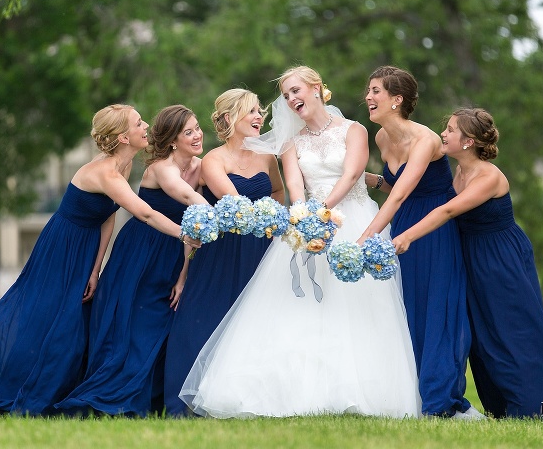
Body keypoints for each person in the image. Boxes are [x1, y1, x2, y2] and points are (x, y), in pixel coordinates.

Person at [179, 66, 421, 419]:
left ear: (317, 88)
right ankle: (300, 390)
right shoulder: (290, 143)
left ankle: (364, 391)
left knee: (360, 304)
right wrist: (305, 218)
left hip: (353, 217)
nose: (291, 99)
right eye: (286, 95)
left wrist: (320, 212)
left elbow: (353, 173)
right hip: (309, 223)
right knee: (303, 306)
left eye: (296, 90)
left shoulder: (354, 130)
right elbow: (293, 186)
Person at [0, 104, 201, 417]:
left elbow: (107, 217)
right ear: (123, 137)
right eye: (138, 123)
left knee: (79, 326)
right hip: (63, 245)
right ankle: (16, 394)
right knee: (51, 320)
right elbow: (144, 212)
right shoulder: (105, 172)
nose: (146, 126)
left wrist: (96, 268)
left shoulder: (124, 165)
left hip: (87, 246)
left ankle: (61, 393)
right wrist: (185, 235)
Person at [392, 107, 543, 418]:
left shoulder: (488, 176)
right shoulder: (456, 172)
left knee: (512, 328)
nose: (443, 135)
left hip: (501, 258)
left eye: (449, 130)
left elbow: (446, 212)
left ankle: (536, 407)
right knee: (483, 335)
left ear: (468, 141)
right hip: (469, 256)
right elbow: (425, 196)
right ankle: (502, 406)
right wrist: (372, 182)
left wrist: (407, 236)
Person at [55, 105, 208, 418]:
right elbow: (175, 209)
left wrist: (183, 274)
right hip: (143, 251)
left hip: (174, 250)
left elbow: (195, 226)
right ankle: (114, 395)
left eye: (197, 128)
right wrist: (226, 216)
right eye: (188, 131)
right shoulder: (159, 169)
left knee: (163, 324)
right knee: (131, 322)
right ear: (174, 140)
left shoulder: (200, 167)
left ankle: (153, 398)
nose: (197, 135)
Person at [358, 66, 478, 419]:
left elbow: (401, 196)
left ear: (397, 100)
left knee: (435, 308)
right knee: (406, 306)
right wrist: (367, 181)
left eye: (376, 91)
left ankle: (439, 401)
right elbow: (394, 191)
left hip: (433, 227)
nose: (368, 96)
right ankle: (408, 391)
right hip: (403, 224)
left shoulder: (425, 140)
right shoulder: (380, 138)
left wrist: (366, 236)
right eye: (369, 90)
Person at [164, 88, 285, 417]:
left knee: (254, 320)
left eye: (260, 111)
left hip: (260, 248)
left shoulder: (267, 158)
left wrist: (275, 219)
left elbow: (276, 191)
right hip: (222, 250)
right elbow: (234, 202)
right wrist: (263, 217)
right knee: (205, 316)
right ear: (230, 118)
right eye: (252, 111)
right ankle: (185, 401)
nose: (260, 117)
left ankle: (248, 397)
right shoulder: (213, 161)